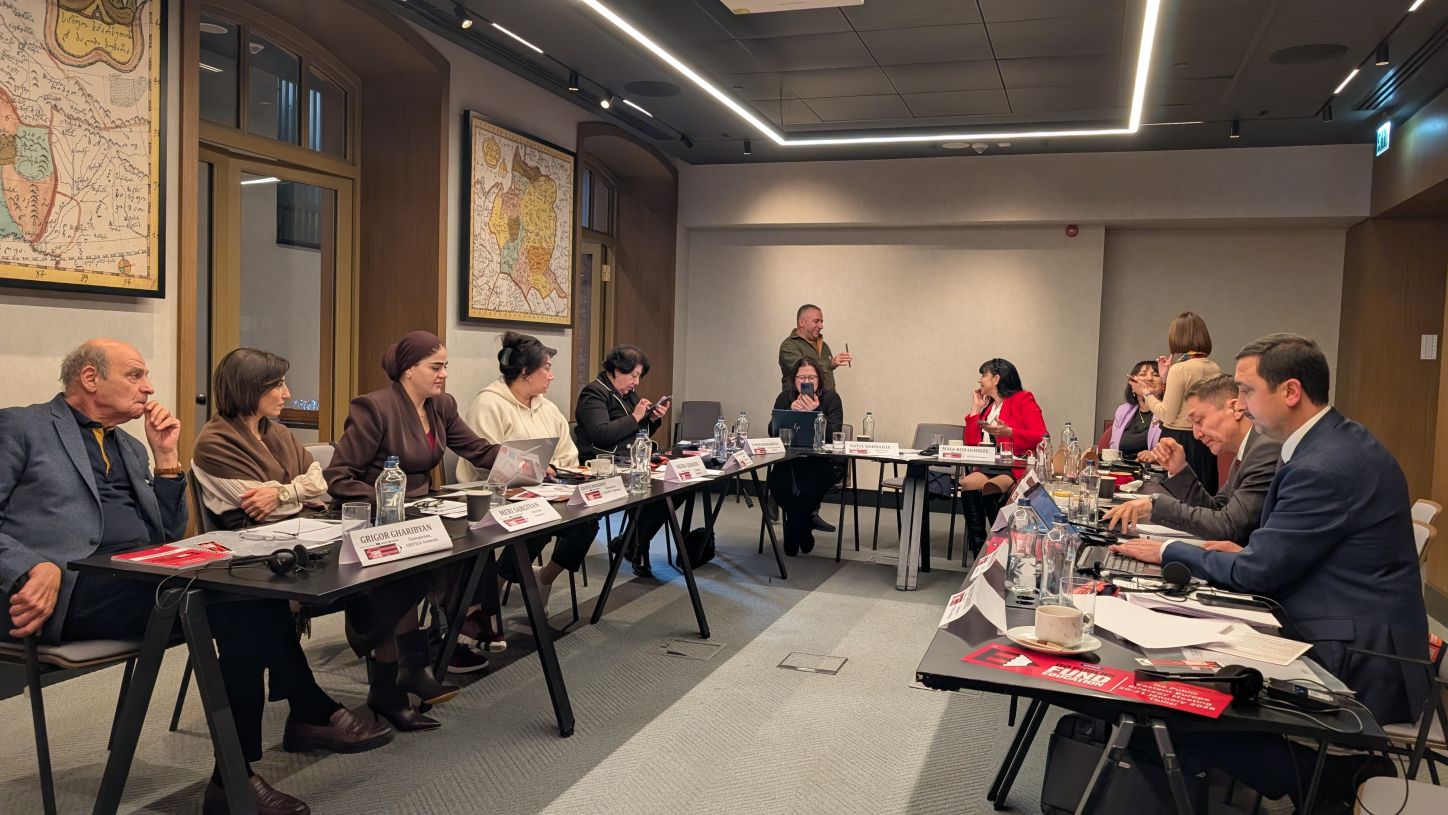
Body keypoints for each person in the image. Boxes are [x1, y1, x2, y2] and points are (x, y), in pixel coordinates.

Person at [1, 340, 391, 815]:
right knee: (238, 601)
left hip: (139, 576)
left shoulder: (130, 446)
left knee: (252, 597)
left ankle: (240, 771)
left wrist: (167, 460)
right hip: (67, 587)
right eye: (136, 375)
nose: (149, 387)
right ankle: (277, 740)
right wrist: (31, 566)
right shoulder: (22, 427)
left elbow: (167, 534)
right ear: (90, 378)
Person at [1111, 335, 1428, 729]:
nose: (1240, 405)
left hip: (1352, 665)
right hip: (1335, 628)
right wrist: (1246, 556)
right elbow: (1268, 551)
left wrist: (1168, 551)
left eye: (1246, 391)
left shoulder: (1322, 466)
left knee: (1167, 705)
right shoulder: (1329, 442)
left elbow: (1257, 571)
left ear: (1290, 392)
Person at [193, 347, 446, 733]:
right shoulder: (214, 441)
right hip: (258, 557)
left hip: (306, 537)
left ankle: (397, 679)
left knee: (399, 569)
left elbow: (320, 480)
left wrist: (284, 492)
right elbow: (257, 506)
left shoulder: (275, 431)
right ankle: (386, 687)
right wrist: (297, 493)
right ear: (249, 388)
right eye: (277, 385)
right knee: (375, 578)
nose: (288, 393)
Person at [326, 331, 501, 676]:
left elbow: (478, 450)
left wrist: (524, 463)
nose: (444, 374)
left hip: (425, 509)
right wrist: (389, 502)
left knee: (480, 537)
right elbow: (339, 476)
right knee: (434, 560)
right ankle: (424, 655)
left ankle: (459, 629)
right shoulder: (374, 408)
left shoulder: (442, 406)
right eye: (436, 367)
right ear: (409, 369)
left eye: (445, 366)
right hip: (384, 515)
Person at [458, 331, 604, 611]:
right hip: (494, 495)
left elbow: (567, 455)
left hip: (543, 491)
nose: (552, 376)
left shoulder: (547, 408)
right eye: (546, 368)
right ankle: (495, 585)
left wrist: (554, 470)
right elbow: (482, 461)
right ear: (525, 372)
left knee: (588, 518)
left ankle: (544, 578)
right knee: (538, 521)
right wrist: (534, 471)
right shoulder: (489, 403)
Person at [1102, 374, 1280, 543]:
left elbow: (1230, 527)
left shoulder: (1264, 449)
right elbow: (1216, 508)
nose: (1196, 434)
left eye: (1199, 421)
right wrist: (1180, 470)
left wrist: (1155, 504)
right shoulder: (1248, 449)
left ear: (1235, 409)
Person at [575, 343, 672, 577]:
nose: (636, 382)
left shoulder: (627, 395)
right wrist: (636, 416)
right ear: (616, 370)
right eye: (633, 375)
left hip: (629, 460)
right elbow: (601, 434)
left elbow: (637, 434)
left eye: (639, 377)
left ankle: (633, 541)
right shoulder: (593, 393)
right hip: (601, 463)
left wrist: (651, 419)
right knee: (651, 492)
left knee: (675, 489)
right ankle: (637, 545)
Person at [778, 304, 852, 532]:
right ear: (802, 322)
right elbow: (803, 368)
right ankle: (802, 516)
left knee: (818, 469)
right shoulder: (789, 346)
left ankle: (806, 515)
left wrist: (821, 407)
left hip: (824, 405)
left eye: (822, 321)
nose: (821, 325)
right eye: (816, 321)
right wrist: (830, 364)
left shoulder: (823, 345)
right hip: (797, 407)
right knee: (788, 472)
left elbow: (822, 374)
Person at [960, 358, 1046, 555]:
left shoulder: (1023, 399)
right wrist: (976, 410)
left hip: (1014, 465)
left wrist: (1010, 432)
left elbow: (1041, 436)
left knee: (991, 487)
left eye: (984, 375)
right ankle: (979, 551)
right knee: (967, 483)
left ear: (996, 379)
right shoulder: (989, 408)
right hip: (989, 464)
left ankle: (1000, 546)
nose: (980, 380)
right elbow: (971, 444)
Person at [1132, 311, 1221, 487]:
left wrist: (1146, 393)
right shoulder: (1214, 367)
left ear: (1177, 337)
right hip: (1204, 439)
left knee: (1179, 493)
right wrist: (1165, 378)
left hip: (1179, 439)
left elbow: (1167, 414)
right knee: (1202, 493)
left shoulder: (1180, 369)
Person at [768, 357, 845, 556]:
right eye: (802, 377)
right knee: (777, 483)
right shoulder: (785, 398)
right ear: (794, 380)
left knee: (811, 484)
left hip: (822, 461)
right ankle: (803, 525)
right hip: (790, 460)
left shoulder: (831, 398)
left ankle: (794, 527)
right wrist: (789, 412)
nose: (806, 381)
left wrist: (816, 412)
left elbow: (835, 434)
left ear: (819, 379)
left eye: (811, 377)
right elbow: (772, 432)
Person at [1106, 360, 1163, 459]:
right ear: (1132, 384)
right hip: (1121, 466)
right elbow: (1113, 448)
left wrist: (1155, 456)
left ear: (1164, 385)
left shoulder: (1168, 411)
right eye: (1143, 374)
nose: (1149, 378)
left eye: (1156, 375)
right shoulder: (1123, 411)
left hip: (1154, 468)